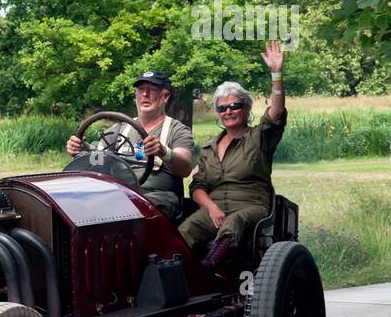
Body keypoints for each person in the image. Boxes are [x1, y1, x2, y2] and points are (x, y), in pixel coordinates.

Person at [179, 42, 288, 269]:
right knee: (186, 230)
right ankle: (181, 275)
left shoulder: (259, 137)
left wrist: (276, 74)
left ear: (246, 109)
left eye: (235, 105)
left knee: (233, 221)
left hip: (252, 206)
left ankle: (212, 266)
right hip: (215, 208)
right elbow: (197, 187)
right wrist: (210, 207)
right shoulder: (209, 148)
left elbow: (276, 112)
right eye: (222, 108)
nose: (228, 111)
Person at [65, 70, 195, 220]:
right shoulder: (120, 128)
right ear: (136, 95)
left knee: (127, 209)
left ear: (165, 96)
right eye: (141, 90)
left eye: (152, 90)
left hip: (157, 197)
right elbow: (98, 158)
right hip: (120, 192)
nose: (145, 94)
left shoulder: (177, 130)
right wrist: (82, 149)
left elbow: (185, 168)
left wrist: (163, 151)